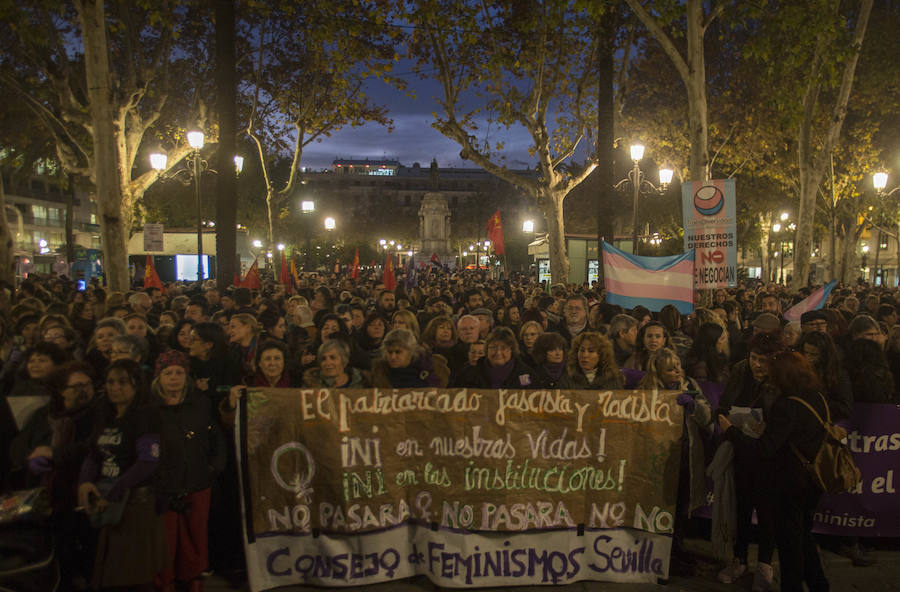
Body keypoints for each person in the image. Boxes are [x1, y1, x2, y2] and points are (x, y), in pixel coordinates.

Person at [718, 352, 832, 592]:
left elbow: (765, 448)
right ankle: (819, 584)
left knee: (790, 545)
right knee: (804, 537)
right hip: (813, 479)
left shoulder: (786, 405)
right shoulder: (818, 397)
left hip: (789, 483)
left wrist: (731, 432)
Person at [77, 360, 168, 590]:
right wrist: (85, 482)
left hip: (135, 502)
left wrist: (116, 491)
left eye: (122, 382)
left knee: (131, 574)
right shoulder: (105, 414)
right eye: (110, 382)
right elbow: (94, 453)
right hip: (108, 499)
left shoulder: (146, 415)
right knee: (110, 572)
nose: (115, 387)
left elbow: (148, 461)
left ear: (137, 385)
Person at [152, 350, 226, 592]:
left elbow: (215, 435)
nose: (174, 378)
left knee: (195, 536)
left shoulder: (199, 404)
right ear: (159, 377)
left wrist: (214, 466)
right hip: (163, 485)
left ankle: (192, 579)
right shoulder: (149, 409)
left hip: (197, 480)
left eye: (178, 373)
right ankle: (165, 582)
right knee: (165, 539)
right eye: (168, 373)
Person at [715, 331, 784, 589]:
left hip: (770, 457)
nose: (757, 365)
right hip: (741, 452)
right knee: (741, 508)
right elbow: (724, 403)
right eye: (754, 358)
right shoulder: (739, 372)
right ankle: (739, 559)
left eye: (763, 360)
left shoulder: (783, 380)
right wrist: (724, 418)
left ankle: (764, 565)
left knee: (768, 511)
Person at [639, 348, 711, 575]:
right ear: (659, 372)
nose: (678, 371)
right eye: (671, 368)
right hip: (660, 461)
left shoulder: (690, 386)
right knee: (661, 506)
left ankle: (676, 548)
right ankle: (658, 551)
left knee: (680, 506)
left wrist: (694, 406)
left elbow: (707, 417)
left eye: (679, 366)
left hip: (685, 459)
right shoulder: (648, 391)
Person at [453, 327, 535, 388]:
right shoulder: (469, 373)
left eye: (504, 348)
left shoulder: (526, 373)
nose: (498, 353)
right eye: (493, 347)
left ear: (512, 350)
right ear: (486, 350)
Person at [371, 328, 449, 388]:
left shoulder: (433, 369)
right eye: (390, 352)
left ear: (411, 351)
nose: (393, 357)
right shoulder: (380, 373)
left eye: (398, 352)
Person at [560, 332, 624, 389]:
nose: (584, 355)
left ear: (601, 355)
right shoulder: (567, 377)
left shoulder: (612, 379)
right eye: (582, 350)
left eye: (591, 351)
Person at [302, 340, 371, 388]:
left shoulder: (363, 382)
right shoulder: (310, 384)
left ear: (344, 360)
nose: (328, 363)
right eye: (323, 359)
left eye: (333, 358)